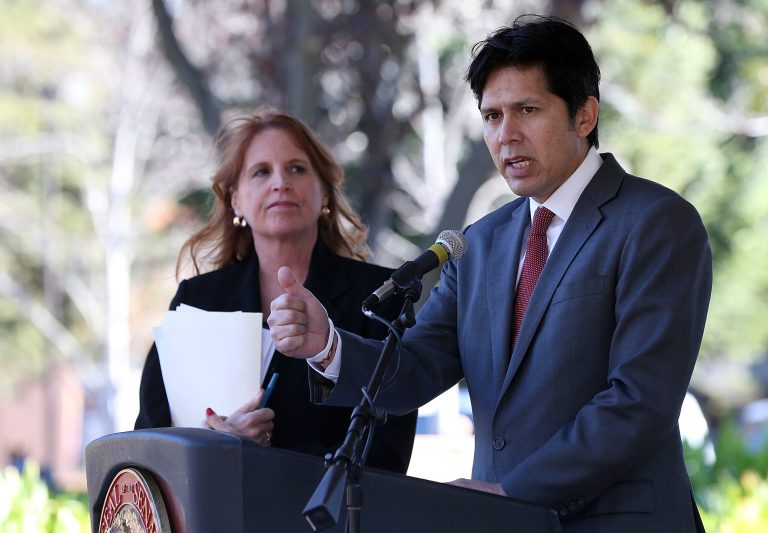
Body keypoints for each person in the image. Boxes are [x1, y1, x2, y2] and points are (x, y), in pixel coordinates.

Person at [268, 15, 712, 532]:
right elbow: (413, 367)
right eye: (492, 116)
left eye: (527, 110)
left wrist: (512, 494)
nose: (506, 135)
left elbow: (639, 401)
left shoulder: (655, 222)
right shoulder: (478, 243)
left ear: (585, 115)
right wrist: (327, 345)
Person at [135, 108, 417, 474]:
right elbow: (148, 438)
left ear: (325, 194)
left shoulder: (380, 296)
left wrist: (259, 455)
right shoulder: (196, 301)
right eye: (261, 171)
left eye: (297, 169)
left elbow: (385, 456)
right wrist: (213, 444)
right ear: (235, 199)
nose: (280, 182)